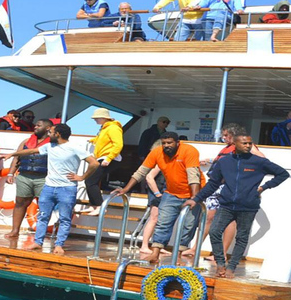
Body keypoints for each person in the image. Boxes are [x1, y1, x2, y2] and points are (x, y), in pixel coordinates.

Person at [184, 134, 289, 278]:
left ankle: (231, 268)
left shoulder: (259, 162)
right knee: (214, 231)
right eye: (244, 143)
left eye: (249, 143)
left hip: (248, 206)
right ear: (235, 144)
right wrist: (196, 199)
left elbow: (283, 174)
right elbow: (213, 184)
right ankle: (220, 263)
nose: (248, 146)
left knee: (242, 237)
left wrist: (264, 187)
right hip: (226, 204)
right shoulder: (224, 162)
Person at [4, 123, 99, 255]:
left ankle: (59, 245)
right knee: (43, 216)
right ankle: (38, 242)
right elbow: (31, 151)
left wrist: (82, 177)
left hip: (67, 188)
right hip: (48, 187)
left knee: (65, 218)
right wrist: (13, 154)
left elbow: (94, 163)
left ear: (58, 134)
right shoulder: (50, 146)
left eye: (51, 132)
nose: (49, 134)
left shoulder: (74, 148)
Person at [112, 132, 203, 264]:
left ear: (178, 143)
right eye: (164, 143)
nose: (166, 146)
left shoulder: (189, 151)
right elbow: (141, 172)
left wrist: (195, 197)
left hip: (193, 192)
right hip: (171, 193)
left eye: (170, 143)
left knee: (188, 226)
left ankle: (177, 255)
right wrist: (126, 189)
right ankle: (155, 253)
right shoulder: (156, 152)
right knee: (162, 223)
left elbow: (193, 175)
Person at [186, 124, 266, 259]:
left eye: (226, 135)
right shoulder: (227, 149)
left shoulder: (244, 146)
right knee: (208, 217)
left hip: (229, 187)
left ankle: (221, 253)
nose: (223, 138)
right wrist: (210, 160)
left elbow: (262, 159)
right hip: (216, 185)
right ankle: (195, 248)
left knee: (230, 219)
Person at [3, 119, 53, 238]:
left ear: (47, 128)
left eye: (38, 126)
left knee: (44, 205)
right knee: (20, 203)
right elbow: (17, 157)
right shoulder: (26, 141)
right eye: (35, 125)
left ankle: (40, 234)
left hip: (43, 178)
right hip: (24, 176)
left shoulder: (53, 143)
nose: (35, 127)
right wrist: (10, 173)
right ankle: (15, 231)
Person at [82, 108, 124, 216]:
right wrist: (93, 140)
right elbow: (102, 140)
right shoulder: (104, 128)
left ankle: (100, 207)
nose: (95, 120)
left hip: (109, 158)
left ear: (104, 118)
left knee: (91, 181)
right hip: (103, 157)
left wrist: (109, 158)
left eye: (97, 118)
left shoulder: (113, 128)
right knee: (90, 180)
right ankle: (93, 205)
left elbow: (118, 144)